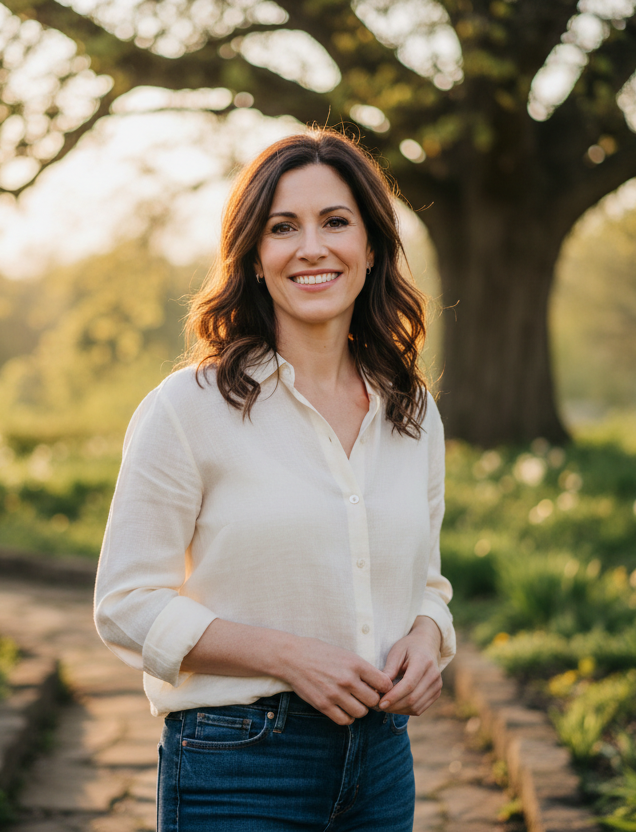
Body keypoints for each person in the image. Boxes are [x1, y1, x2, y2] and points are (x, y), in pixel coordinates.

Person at [93, 128, 455, 831]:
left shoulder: (412, 411)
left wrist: (427, 635)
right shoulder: (188, 409)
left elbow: (428, 584)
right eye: (282, 227)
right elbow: (125, 603)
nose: (311, 247)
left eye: (336, 222)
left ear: (372, 246)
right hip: (238, 761)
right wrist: (288, 656)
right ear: (256, 258)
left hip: (383, 762)